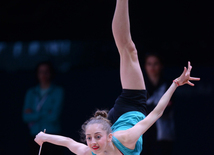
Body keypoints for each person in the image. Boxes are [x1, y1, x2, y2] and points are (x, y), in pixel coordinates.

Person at [34, 1, 200, 155]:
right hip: (119, 124)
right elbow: (69, 143)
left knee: (129, 50)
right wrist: (44, 137)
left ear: (109, 136)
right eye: (89, 138)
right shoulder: (97, 148)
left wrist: (176, 83)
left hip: (131, 104)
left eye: (96, 137)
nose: (92, 143)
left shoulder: (126, 138)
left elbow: (156, 113)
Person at [23, 61, 64, 155]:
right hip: (35, 136)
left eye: (46, 72)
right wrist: (46, 112)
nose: (43, 75)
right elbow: (26, 117)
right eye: (41, 72)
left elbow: (54, 116)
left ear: (50, 73)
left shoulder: (58, 91)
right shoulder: (31, 92)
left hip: (53, 135)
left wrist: (34, 113)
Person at [142, 53, 175, 155]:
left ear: (161, 66)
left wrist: (149, 108)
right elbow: (139, 110)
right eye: (149, 64)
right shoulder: (140, 86)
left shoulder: (169, 85)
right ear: (145, 66)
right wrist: (158, 107)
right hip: (143, 133)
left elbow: (167, 110)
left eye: (155, 63)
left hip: (163, 134)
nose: (152, 67)